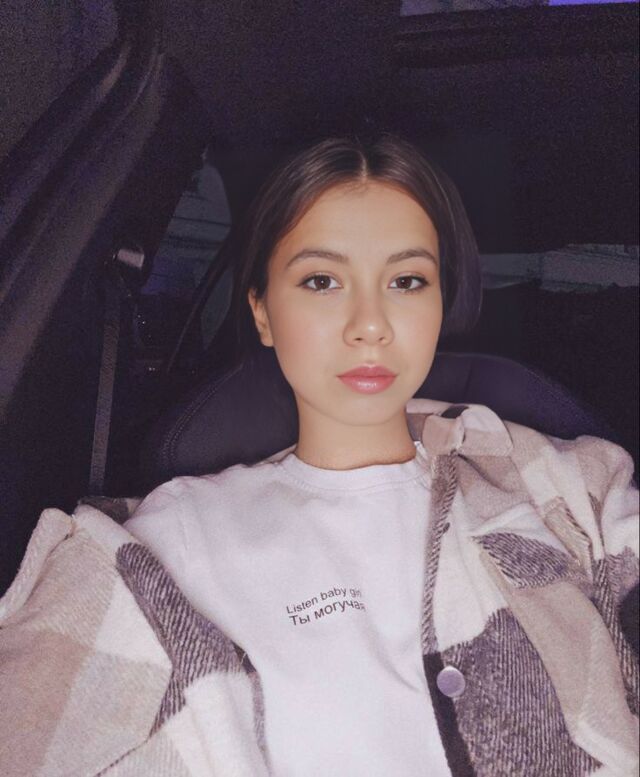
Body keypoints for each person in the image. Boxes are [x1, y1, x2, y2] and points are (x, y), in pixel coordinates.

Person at [0, 135, 637, 777]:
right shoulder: (173, 537)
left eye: (407, 281)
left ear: (439, 303)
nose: (370, 324)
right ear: (262, 312)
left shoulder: (566, 485)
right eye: (322, 281)